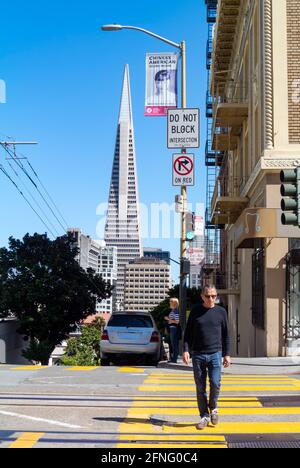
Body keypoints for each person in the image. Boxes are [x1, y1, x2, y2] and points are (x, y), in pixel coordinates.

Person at [182, 285, 231, 430]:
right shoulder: (195, 312)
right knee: (200, 387)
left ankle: (213, 408)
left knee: (215, 383)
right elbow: (188, 333)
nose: (211, 299)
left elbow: (226, 334)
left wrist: (227, 354)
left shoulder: (221, 312)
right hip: (198, 354)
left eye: (214, 296)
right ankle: (204, 415)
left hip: (215, 353)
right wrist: (186, 350)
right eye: (208, 296)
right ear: (202, 297)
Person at [164, 298, 181, 363]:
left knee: (174, 344)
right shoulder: (173, 311)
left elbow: (177, 321)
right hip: (172, 328)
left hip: (174, 329)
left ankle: (174, 359)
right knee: (173, 344)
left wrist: (168, 319)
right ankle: (173, 358)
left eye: (171, 302)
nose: (169, 303)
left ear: (174, 303)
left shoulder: (175, 311)